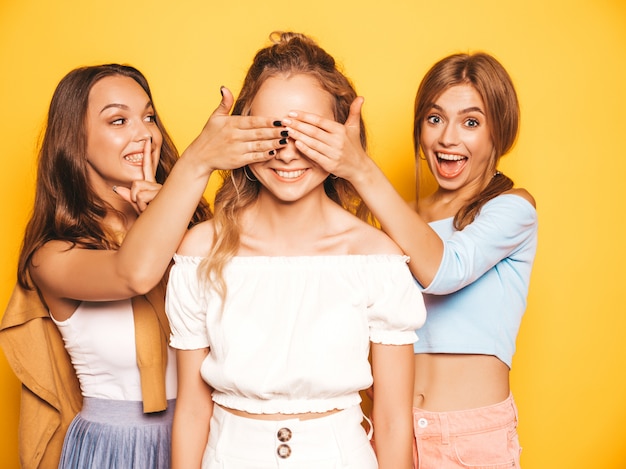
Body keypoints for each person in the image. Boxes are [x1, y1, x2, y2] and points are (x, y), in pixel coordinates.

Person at [0, 63, 287, 468]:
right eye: (119, 120)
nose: (144, 132)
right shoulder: (52, 257)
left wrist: (173, 216)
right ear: (74, 141)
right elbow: (132, 273)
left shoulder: (195, 236)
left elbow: (262, 319)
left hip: (214, 436)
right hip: (112, 449)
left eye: (149, 117)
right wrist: (196, 163)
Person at [165, 32, 426, 469]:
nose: (287, 154)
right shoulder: (200, 251)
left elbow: (394, 417)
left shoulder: (375, 257)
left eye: (310, 132)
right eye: (272, 132)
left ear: (343, 135)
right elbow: (192, 410)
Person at [283, 52, 538, 468]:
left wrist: (360, 170)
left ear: (499, 131)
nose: (448, 138)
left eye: (471, 122)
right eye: (435, 118)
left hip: (470, 438)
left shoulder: (512, 209)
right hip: (390, 430)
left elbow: (444, 269)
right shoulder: (400, 218)